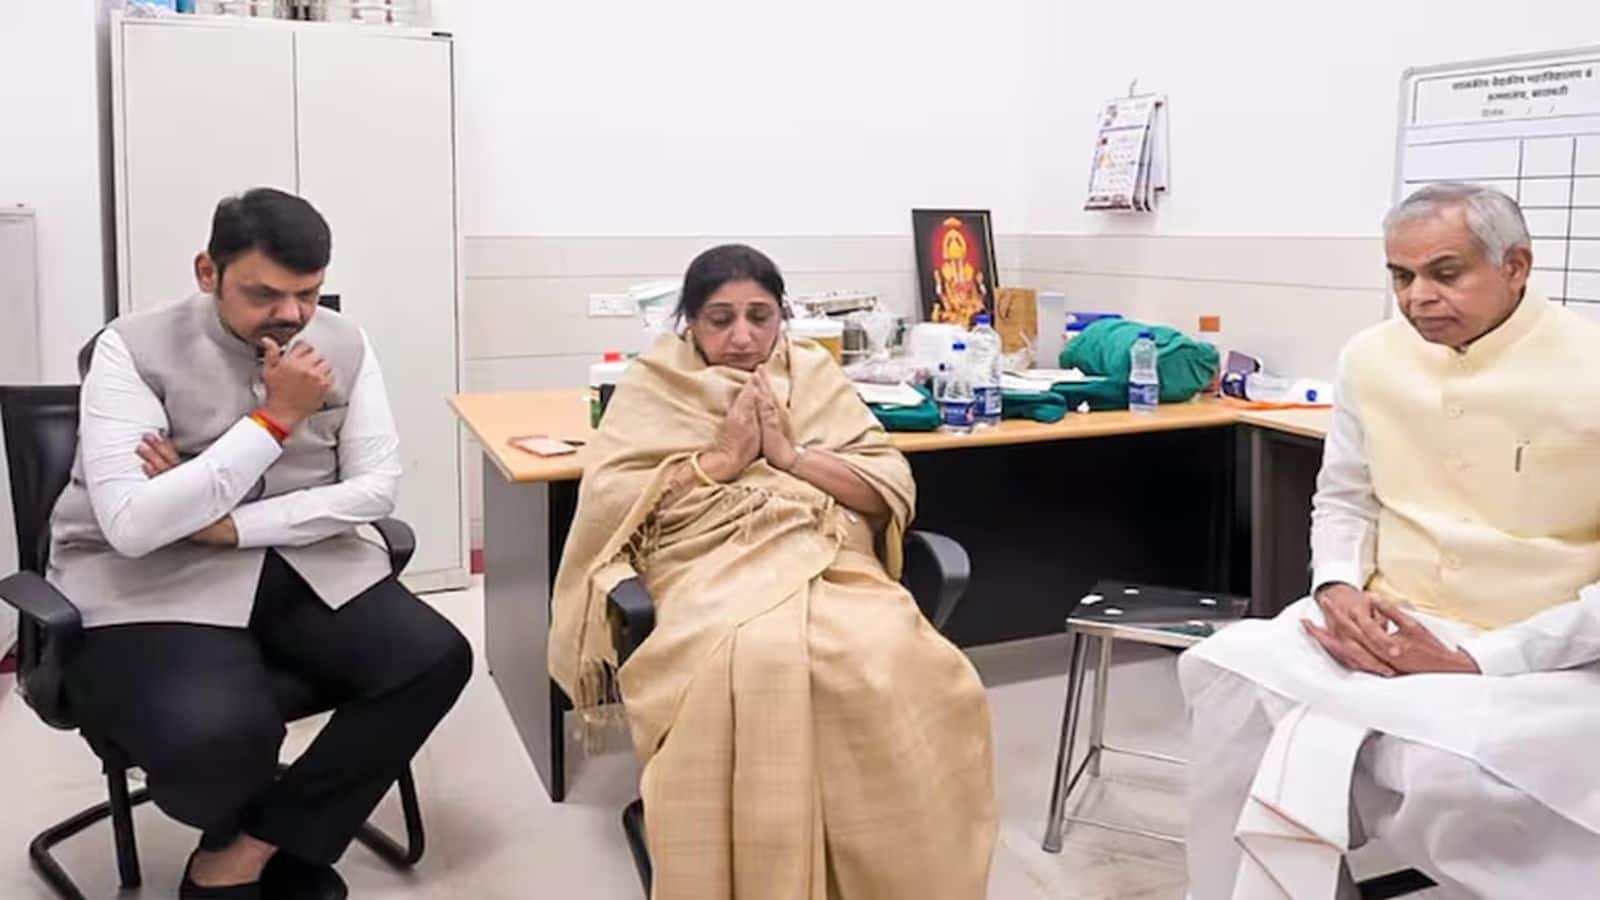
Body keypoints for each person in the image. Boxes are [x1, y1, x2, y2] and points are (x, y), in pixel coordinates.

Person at [50, 188, 472, 900]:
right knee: (220, 735)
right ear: (207, 272)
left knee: (433, 658)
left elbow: (375, 490)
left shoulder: (344, 341)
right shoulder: (131, 347)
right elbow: (135, 526)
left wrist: (221, 517)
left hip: (297, 561)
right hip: (153, 578)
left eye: (307, 293)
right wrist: (276, 418)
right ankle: (251, 834)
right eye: (264, 294)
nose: (292, 314)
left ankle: (249, 852)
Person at [1182, 183, 1600, 899]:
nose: (1417, 298)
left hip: (1543, 647)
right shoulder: (1371, 357)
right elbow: (1344, 497)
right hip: (1386, 621)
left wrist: (1482, 660)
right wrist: (1337, 586)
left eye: (1445, 273)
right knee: (1229, 677)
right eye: (1401, 276)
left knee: (1446, 771)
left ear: (1516, 266)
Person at [549, 244, 997, 899]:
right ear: (690, 323)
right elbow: (614, 502)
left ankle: (876, 865)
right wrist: (724, 460)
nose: (742, 337)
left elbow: (886, 485)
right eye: (720, 319)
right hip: (703, 560)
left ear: (781, 317)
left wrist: (791, 456)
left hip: (828, 553)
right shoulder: (655, 383)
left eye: (759, 317)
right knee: (756, 657)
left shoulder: (813, 373)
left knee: (896, 658)